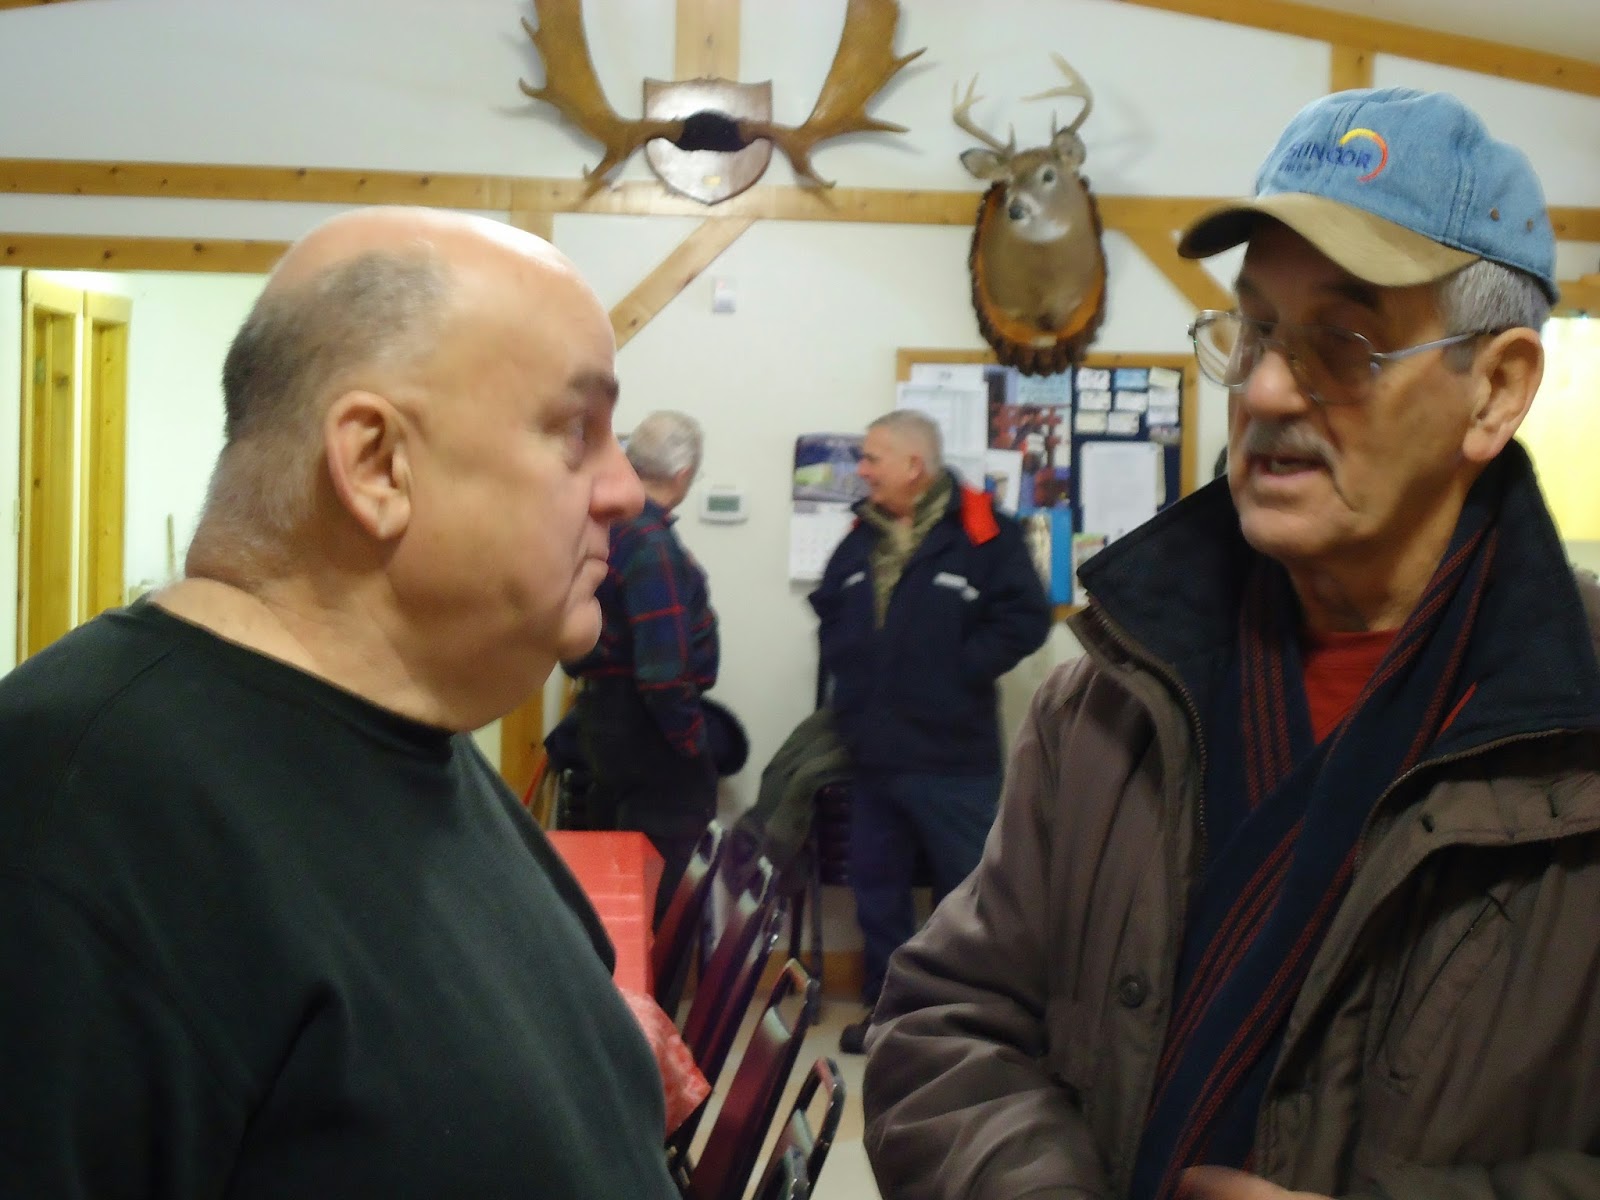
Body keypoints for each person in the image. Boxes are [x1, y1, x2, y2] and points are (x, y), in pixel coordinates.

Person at [862, 86, 1600, 1199]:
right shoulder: (1105, 700)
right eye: (1253, 330)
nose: (1260, 389)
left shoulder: (1572, 730)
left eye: (1344, 344)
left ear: (1493, 391)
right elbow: (944, 1027)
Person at [0, 207, 687, 1197]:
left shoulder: (418, 740)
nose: (623, 489)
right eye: (575, 431)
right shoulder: (72, 822)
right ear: (375, 464)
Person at [810, 409, 1052, 1054]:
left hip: (954, 758)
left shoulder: (984, 532)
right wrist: (851, 675)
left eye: (872, 458)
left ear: (914, 466)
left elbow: (1027, 618)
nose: (860, 470)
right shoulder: (861, 534)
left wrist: (958, 672)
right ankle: (889, 1017)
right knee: (877, 893)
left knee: (968, 899)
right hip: (874, 756)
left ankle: (964, 1024)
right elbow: (829, 607)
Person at [563, 410, 724, 925]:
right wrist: (694, 746)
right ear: (683, 476)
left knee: (613, 903)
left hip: (603, 729)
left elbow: (573, 645)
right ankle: (645, 1005)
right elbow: (663, 674)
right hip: (652, 745)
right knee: (657, 913)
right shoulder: (653, 544)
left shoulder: (607, 529)